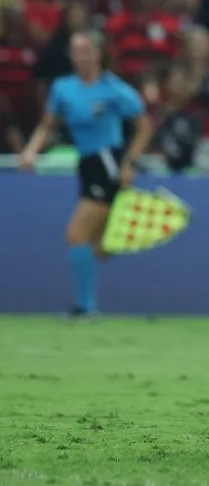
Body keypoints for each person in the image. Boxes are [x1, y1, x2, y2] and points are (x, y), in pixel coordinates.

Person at [18, 31, 153, 316]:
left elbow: (144, 125)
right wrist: (31, 150)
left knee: (76, 234)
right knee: (98, 249)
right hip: (86, 163)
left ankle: (85, 307)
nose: (80, 57)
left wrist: (130, 163)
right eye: (75, 51)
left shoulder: (114, 90)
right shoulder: (63, 88)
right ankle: (119, 241)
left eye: (85, 51)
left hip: (108, 162)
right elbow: (48, 124)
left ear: (98, 54)